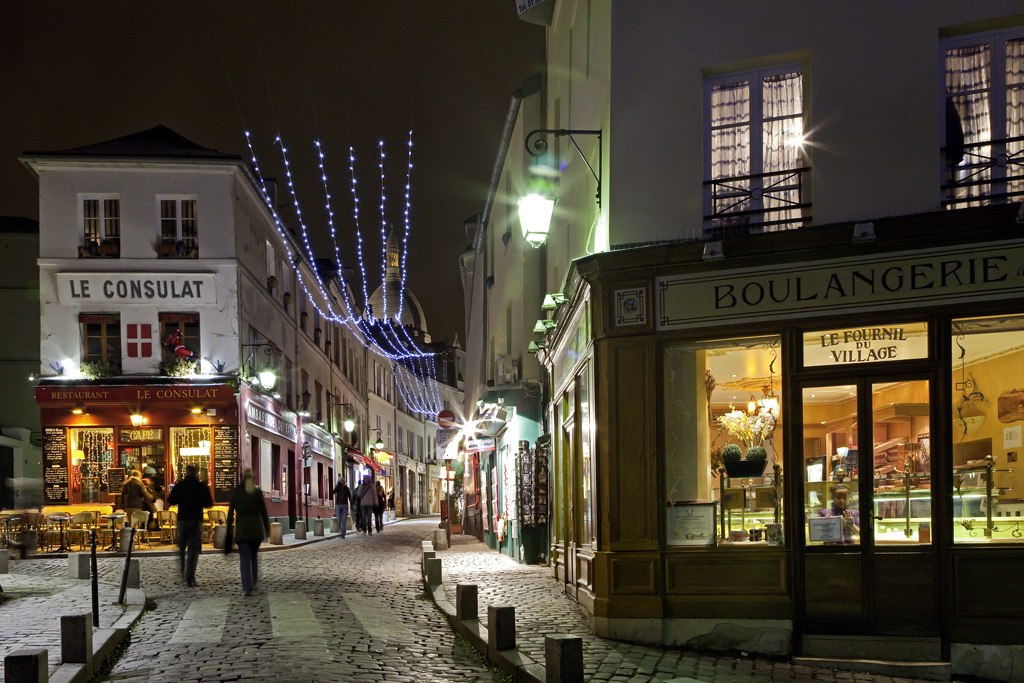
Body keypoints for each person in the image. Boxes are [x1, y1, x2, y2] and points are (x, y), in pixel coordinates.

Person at [226, 469, 270, 596]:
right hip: (255, 530)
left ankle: (247, 586)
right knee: (254, 557)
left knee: (244, 559)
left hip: (242, 530)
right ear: (253, 477)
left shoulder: (237, 492)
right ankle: (254, 581)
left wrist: (228, 530)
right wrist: (267, 529)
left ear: (242, 477)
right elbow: (264, 512)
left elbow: (230, 514)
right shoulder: (257, 493)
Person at [167, 464, 213, 587]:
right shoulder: (201, 486)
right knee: (193, 549)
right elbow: (209, 503)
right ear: (197, 473)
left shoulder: (180, 485)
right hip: (196, 520)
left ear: (186, 472)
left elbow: (171, 500)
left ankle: (182, 570)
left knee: (182, 546)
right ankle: (190, 576)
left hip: (182, 520)